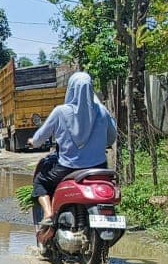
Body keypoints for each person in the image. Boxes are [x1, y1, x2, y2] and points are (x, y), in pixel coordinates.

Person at [28, 72, 115, 245]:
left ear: (71, 90)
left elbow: (39, 139)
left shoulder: (60, 112)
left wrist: (33, 142)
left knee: (40, 182)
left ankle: (48, 214)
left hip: (68, 169)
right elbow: (112, 138)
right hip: (99, 169)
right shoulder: (102, 112)